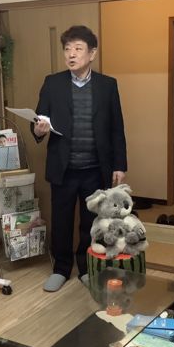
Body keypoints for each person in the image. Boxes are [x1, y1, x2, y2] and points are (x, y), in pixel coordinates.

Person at [32, 25, 127, 292]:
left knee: (90, 223)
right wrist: (39, 130)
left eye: (77, 48)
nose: (71, 54)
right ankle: (61, 269)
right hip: (63, 167)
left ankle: (86, 268)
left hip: (95, 169)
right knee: (61, 221)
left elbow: (117, 127)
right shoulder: (52, 83)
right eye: (67, 49)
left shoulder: (108, 85)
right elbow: (38, 121)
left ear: (92, 53)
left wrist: (119, 164)